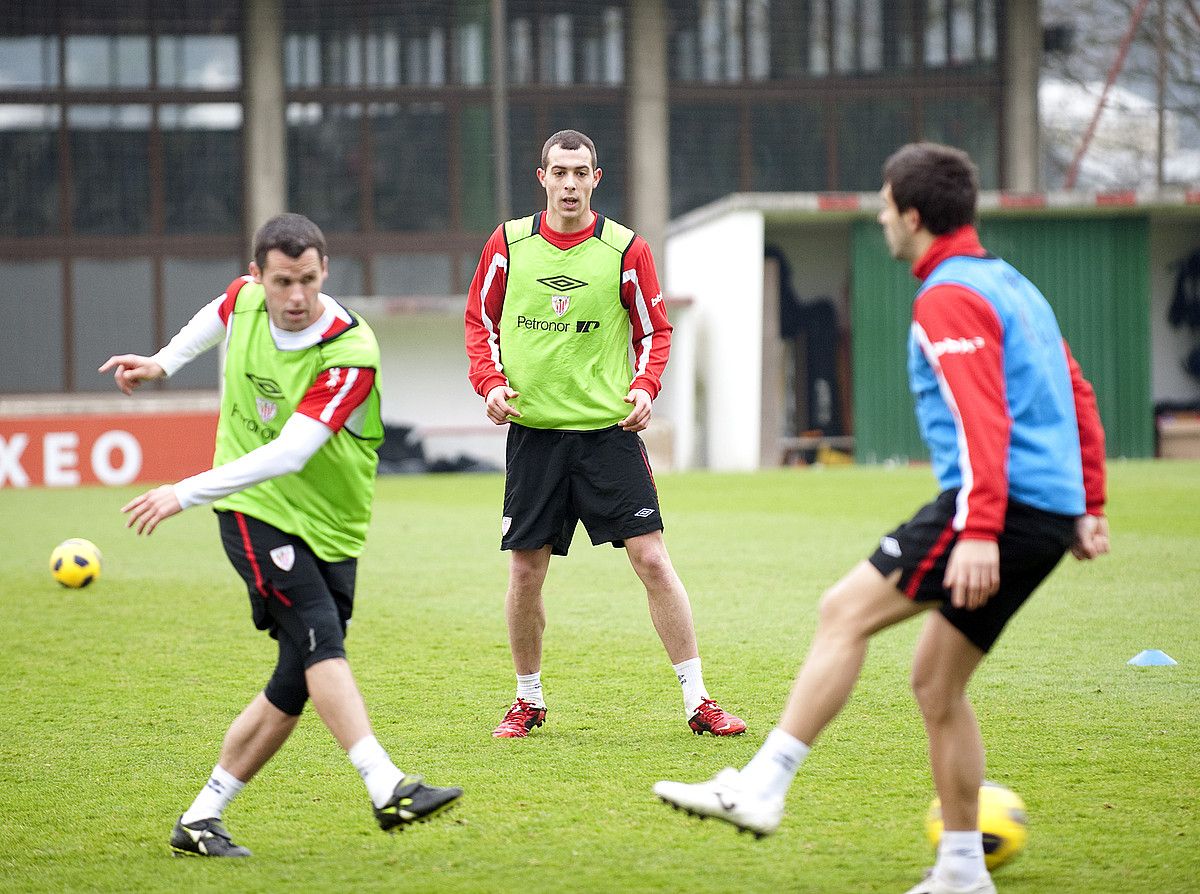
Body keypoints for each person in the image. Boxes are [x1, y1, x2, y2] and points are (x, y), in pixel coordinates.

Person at [653, 143, 1110, 894]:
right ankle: (963, 870)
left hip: (1001, 508)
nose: (877, 216)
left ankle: (762, 786)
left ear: (914, 215)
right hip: (1043, 511)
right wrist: (1087, 505)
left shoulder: (949, 297)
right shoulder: (1012, 285)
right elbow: (1078, 391)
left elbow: (980, 422)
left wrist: (980, 529)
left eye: (884, 203)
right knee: (936, 684)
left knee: (842, 613)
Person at [100, 213, 461, 857]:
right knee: (319, 636)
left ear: (326, 274)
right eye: (282, 282)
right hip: (251, 507)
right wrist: (162, 363)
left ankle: (199, 818)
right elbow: (219, 313)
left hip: (331, 524)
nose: (296, 297)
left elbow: (293, 451)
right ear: (257, 278)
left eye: (308, 281)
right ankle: (388, 787)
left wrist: (181, 489)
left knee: (297, 676)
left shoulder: (349, 351)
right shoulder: (244, 302)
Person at [464, 129, 745, 739]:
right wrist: (489, 383)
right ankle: (528, 700)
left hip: (606, 435)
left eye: (581, 173)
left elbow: (656, 331)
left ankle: (699, 701)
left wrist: (645, 388)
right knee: (526, 570)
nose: (570, 183)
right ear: (542, 178)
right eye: (559, 172)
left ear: (597, 179)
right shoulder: (507, 246)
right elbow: (480, 322)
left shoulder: (626, 250)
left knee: (651, 558)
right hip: (535, 436)